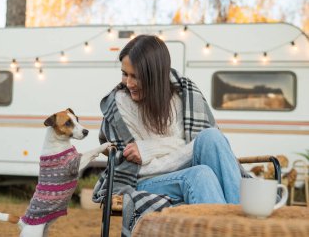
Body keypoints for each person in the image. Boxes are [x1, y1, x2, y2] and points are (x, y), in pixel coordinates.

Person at [93, 35, 245, 235]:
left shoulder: (183, 95)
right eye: (124, 74)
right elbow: (141, 168)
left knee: (211, 137)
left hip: (187, 169)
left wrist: (150, 148)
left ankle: (243, 224)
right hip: (147, 180)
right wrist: (179, 147)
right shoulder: (121, 104)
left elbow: (199, 143)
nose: (128, 83)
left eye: (135, 76)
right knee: (200, 174)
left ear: (154, 76)